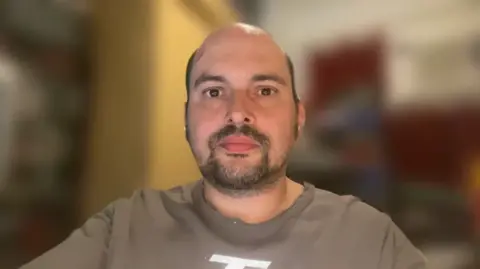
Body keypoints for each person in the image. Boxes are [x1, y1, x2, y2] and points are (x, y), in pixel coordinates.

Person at [21, 23, 427, 269]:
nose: (238, 113)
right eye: (214, 91)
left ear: (299, 117)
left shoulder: (370, 240)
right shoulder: (123, 229)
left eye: (264, 90)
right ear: (186, 118)